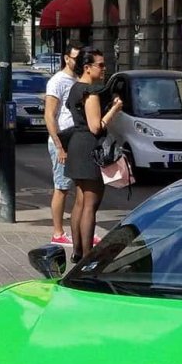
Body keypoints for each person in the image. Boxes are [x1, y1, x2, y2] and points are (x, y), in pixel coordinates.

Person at [65, 48, 123, 261]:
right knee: (90, 204)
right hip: (89, 147)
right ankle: (88, 257)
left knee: (80, 201)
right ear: (87, 68)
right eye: (100, 64)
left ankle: (77, 251)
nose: (104, 68)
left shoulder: (75, 89)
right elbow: (95, 127)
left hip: (77, 146)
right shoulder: (90, 93)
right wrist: (114, 109)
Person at [45, 42, 80, 245]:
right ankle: (58, 233)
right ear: (67, 58)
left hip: (77, 140)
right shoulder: (57, 81)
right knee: (62, 187)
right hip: (63, 142)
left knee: (80, 187)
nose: (79, 62)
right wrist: (59, 146)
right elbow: (49, 115)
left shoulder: (78, 80)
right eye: (76, 58)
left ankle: (79, 231)